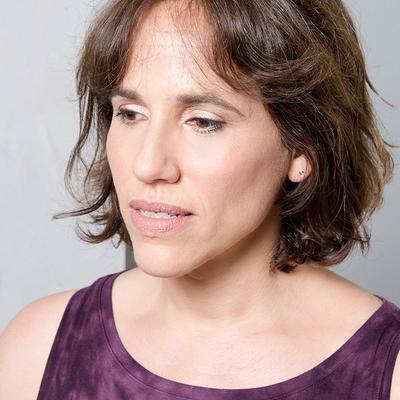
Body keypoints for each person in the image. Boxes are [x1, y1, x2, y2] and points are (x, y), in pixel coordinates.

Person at [1, 0, 399, 398]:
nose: (147, 165)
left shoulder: (388, 372)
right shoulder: (38, 349)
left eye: (203, 121)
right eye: (131, 113)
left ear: (302, 147)